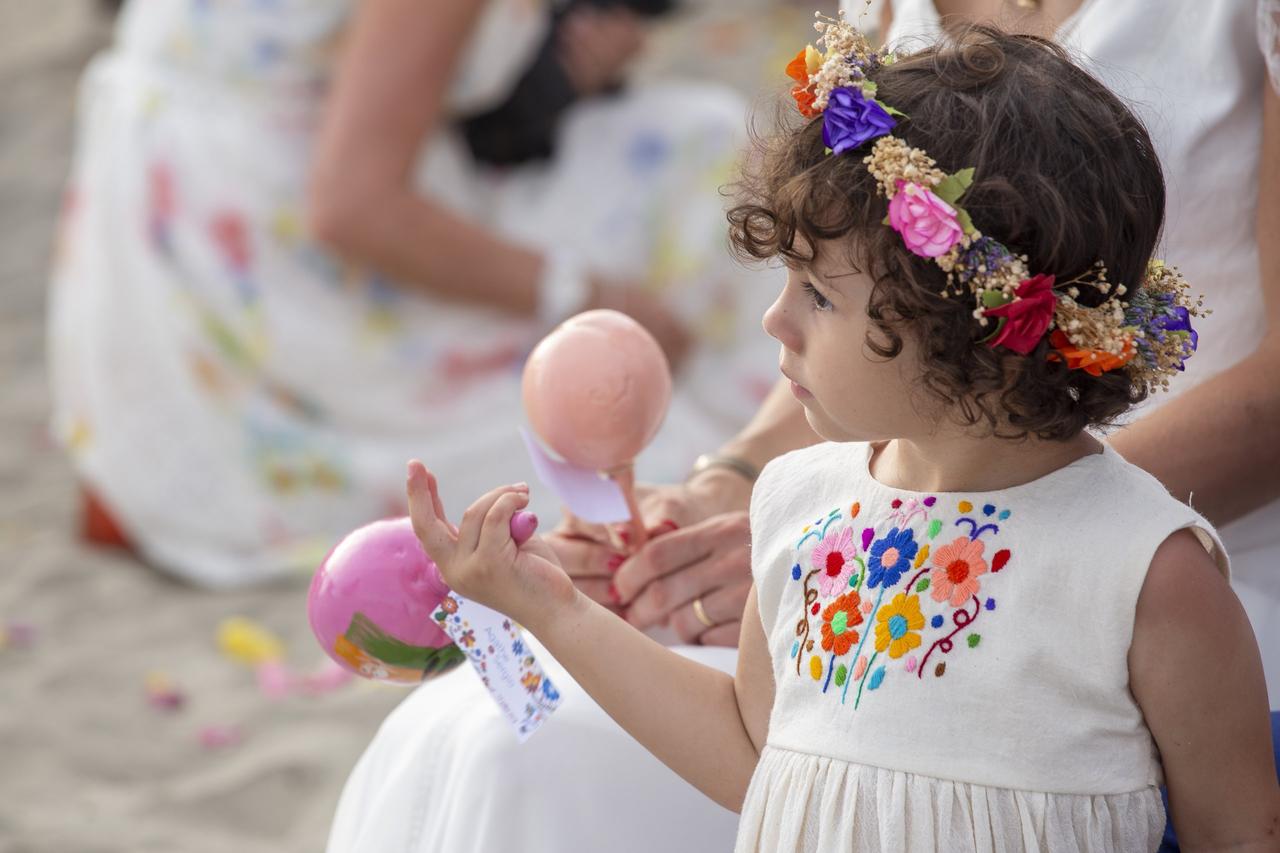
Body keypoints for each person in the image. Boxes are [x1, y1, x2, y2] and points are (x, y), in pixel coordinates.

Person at [403, 20, 1280, 852]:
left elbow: (1237, 831)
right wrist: (551, 605)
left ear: (972, 332)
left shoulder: (1146, 572)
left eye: (820, 296)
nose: (776, 322)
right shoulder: (802, 505)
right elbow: (753, 754)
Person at [48, 0, 777, 587]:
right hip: (274, 260)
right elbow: (352, 208)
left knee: (681, 135)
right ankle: (745, 442)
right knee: (704, 156)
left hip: (159, 239)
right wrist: (588, 294)